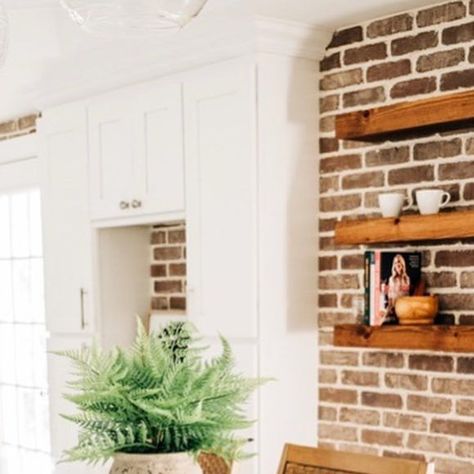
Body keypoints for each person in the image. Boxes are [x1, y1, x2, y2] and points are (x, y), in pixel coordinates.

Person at [381, 254, 410, 324]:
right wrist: (386, 313)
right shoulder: (391, 279)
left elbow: (407, 297)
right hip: (393, 309)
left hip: (404, 310)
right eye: (395, 263)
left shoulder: (406, 279)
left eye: (399, 262)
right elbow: (390, 299)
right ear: (394, 265)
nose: (397, 264)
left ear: (402, 264)